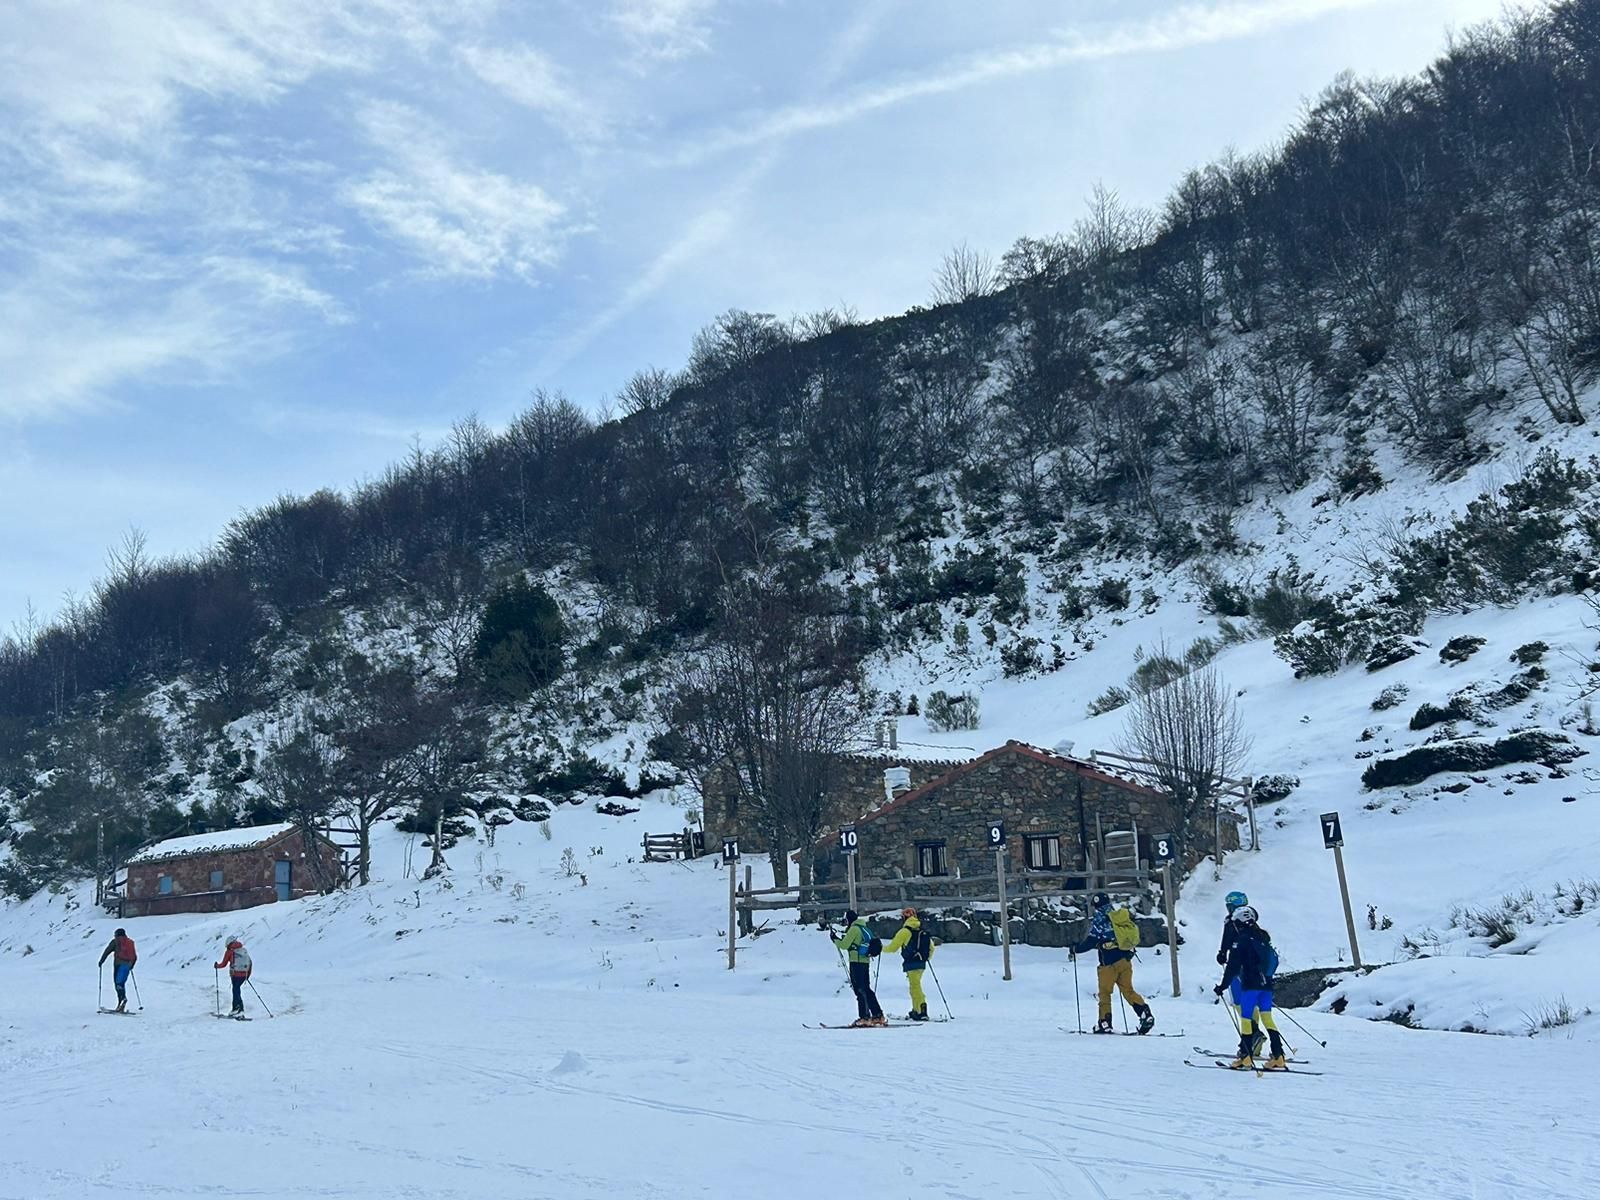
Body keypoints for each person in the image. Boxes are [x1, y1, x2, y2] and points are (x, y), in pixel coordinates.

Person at [1215, 905, 1287, 1070]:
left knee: (1246, 1019)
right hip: (1266, 985)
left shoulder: (1241, 940)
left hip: (1251, 985)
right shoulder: (1262, 937)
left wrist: (1222, 987)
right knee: (1267, 1018)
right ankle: (1279, 1056)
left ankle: (1246, 1058)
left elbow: (1232, 967)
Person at [1072, 891, 1155, 1034]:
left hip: (1108, 964)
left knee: (1105, 993)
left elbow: (1092, 940)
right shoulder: (1118, 916)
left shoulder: (1100, 918)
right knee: (1128, 991)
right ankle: (1145, 1014)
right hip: (1125, 960)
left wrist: (1075, 949)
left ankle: (1105, 1022)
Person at [1218, 890, 1275, 1058]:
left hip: (1240, 971)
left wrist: (1222, 953)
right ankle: (1256, 1041)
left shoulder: (1233, 922)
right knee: (1256, 1007)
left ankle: (1251, 1038)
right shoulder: (1253, 923)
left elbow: (1227, 942)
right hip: (1260, 975)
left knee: (1239, 1003)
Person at [831, 909, 885, 1027]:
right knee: (866, 989)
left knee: (859, 989)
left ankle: (864, 1017)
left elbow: (845, 945)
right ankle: (878, 1015)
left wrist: (835, 939)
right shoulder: (865, 929)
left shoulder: (854, 929)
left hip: (856, 961)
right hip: (865, 961)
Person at [882, 907, 935, 1021]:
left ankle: (922, 1010)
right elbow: (931, 947)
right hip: (921, 963)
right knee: (914, 986)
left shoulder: (904, 931)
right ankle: (916, 1010)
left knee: (915, 987)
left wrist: (881, 949)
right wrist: (925, 958)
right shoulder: (922, 931)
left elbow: (892, 948)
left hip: (911, 963)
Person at [97, 928, 137, 1012]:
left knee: (118, 984)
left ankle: (122, 1000)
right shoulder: (130, 942)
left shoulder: (115, 941)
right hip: (128, 965)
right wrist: (131, 965)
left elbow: (107, 951)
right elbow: (134, 956)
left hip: (118, 965)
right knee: (121, 983)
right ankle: (121, 1005)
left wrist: (101, 961)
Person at [215, 934, 252, 1016]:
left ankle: (236, 1009)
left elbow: (223, 964)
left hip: (235, 975)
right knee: (237, 990)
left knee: (235, 991)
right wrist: (247, 975)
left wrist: (217, 966)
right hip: (243, 975)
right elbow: (250, 963)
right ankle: (240, 1009)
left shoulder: (230, 951)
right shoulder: (243, 950)